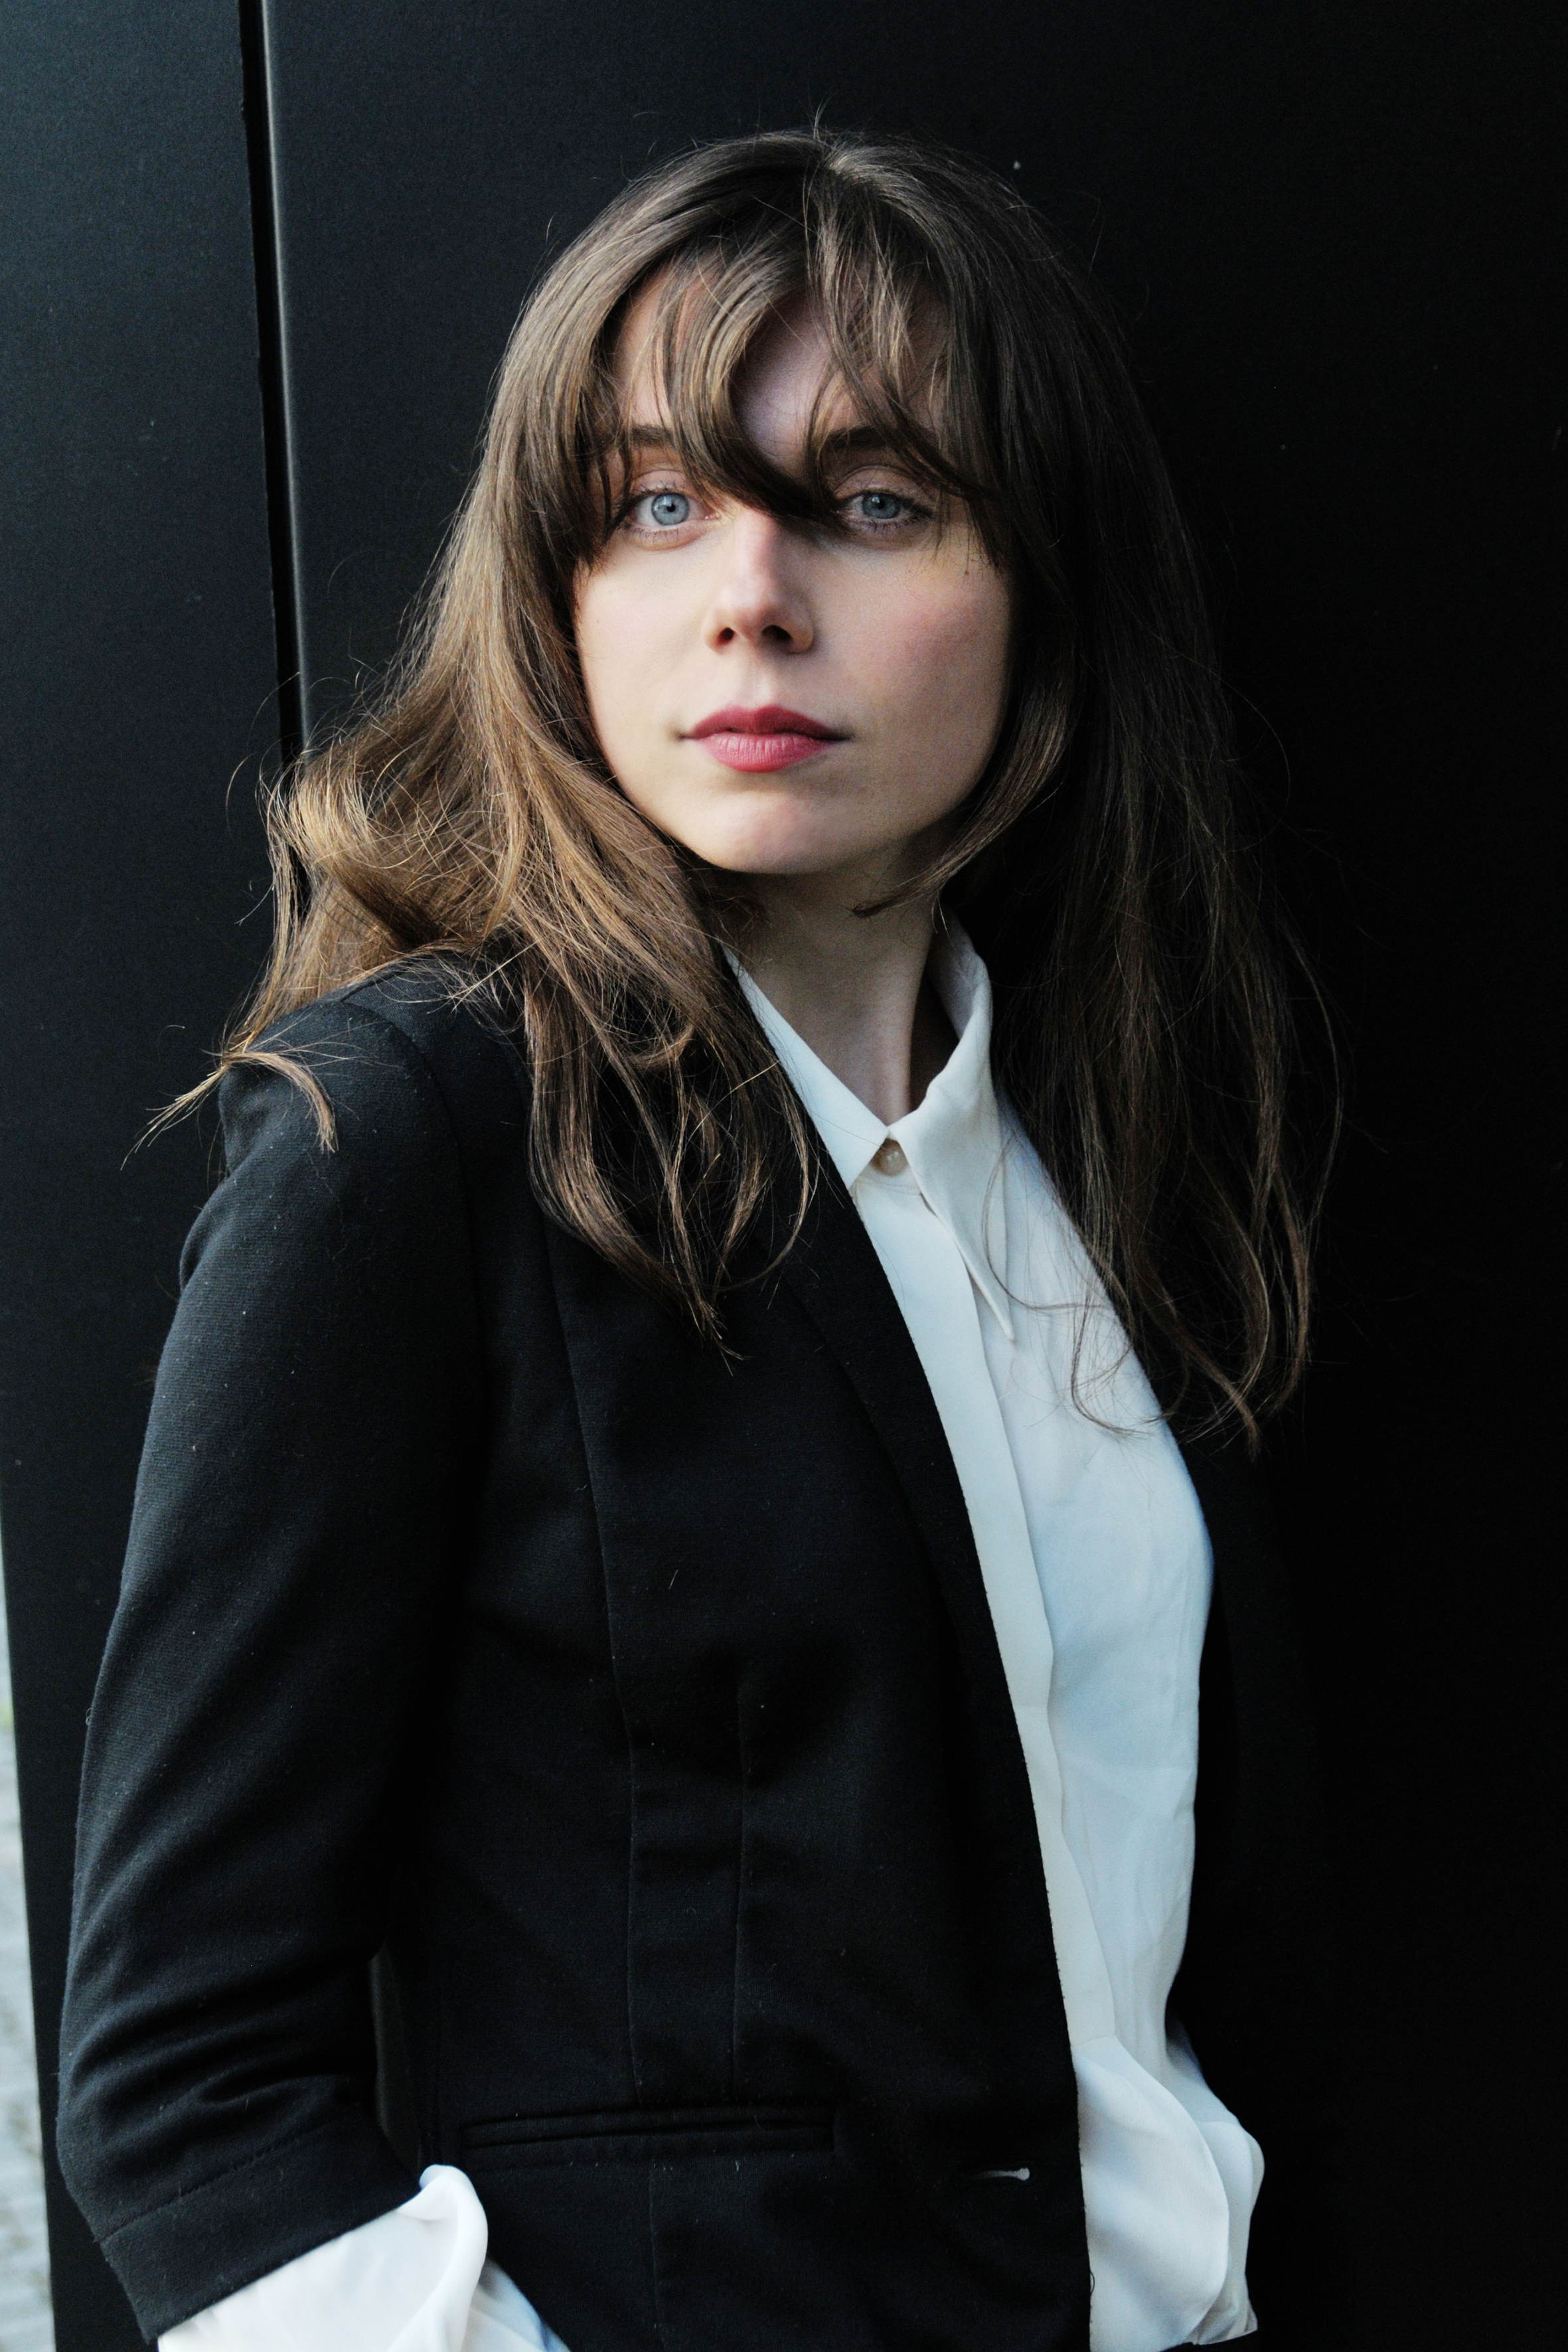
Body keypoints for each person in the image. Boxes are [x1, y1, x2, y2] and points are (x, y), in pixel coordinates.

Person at [56, 129, 1350, 2352]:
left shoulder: (1116, 1151)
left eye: (872, 499)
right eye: (653, 506)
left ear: (1043, 586)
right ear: (553, 595)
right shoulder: (411, 1136)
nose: (749, 592)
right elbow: (185, 2090)